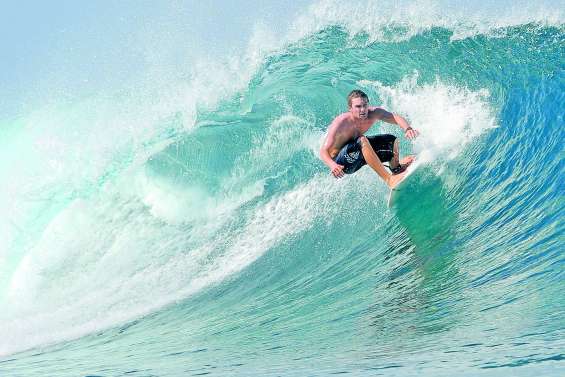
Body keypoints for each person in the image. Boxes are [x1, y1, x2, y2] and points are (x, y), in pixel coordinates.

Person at [319, 89, 419, 189]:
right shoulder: (341, 123)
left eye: (365, 105)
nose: (363, 109)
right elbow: (323, 151)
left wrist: (408, 128)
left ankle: (396, 168)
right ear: (350, 108)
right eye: (358, 106)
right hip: (342, 163)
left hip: (359, 154)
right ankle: (389, 179)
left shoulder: (374, 113)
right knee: (362, 140)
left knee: (391, 140)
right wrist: (332, 165)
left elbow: (394, 117)